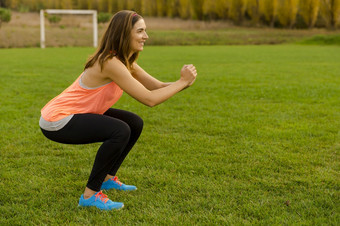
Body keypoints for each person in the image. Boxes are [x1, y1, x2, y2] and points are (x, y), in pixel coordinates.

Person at [39, 10, 197, 211]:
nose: (146, 36)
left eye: (145, 31)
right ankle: (90, 195)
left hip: (77, 113)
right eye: (140, 31)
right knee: (120, 130)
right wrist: (182, 82)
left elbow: (157, 87)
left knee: (134, 123)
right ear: (124, 33)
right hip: (57, 120)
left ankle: (107, 179)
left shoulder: (125, 62)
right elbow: (150, 99)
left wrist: (184, 83)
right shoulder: (110, 62)